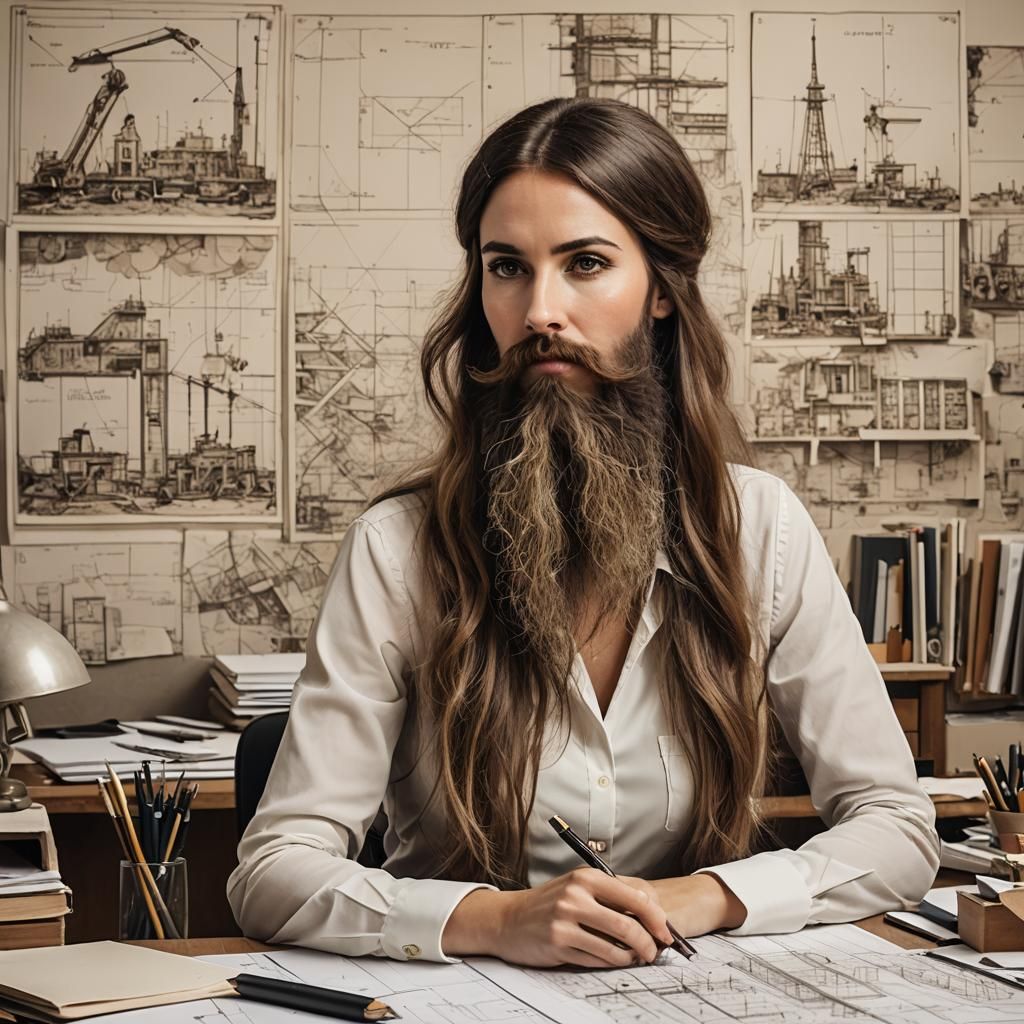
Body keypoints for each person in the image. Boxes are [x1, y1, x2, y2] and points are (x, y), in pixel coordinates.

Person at [228, 97, 939, 968]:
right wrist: (497, 920)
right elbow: (274, 872)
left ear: (663, 291)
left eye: (586, 263)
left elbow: (898, 828)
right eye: (507, 267)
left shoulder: (762, 530)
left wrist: (700, 897)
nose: (539, 311)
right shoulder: (396, 549)